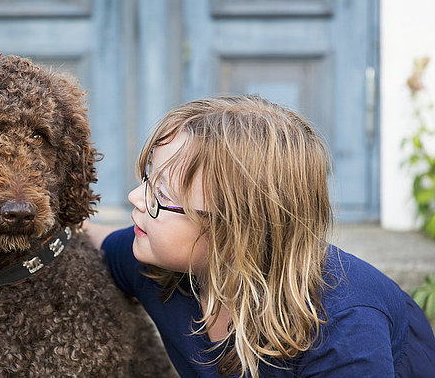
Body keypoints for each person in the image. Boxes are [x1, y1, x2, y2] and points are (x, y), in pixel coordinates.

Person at [83, 95, 435, 377]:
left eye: (161, 196)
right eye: (148, 179)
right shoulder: (153, 262)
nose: (135, 197)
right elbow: (88, 237)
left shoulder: (344, 327)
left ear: (234, 233)